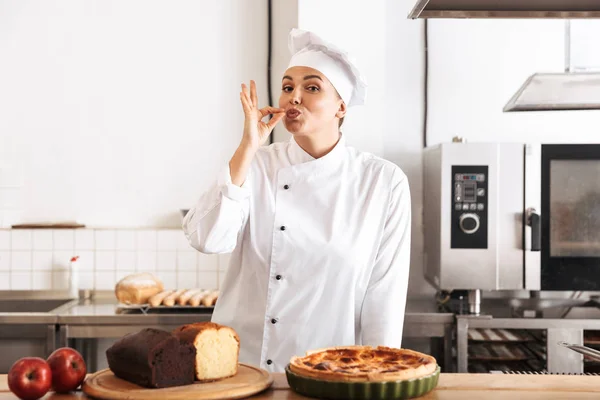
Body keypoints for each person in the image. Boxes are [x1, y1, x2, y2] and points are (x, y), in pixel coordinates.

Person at [183, 29, 411, 373]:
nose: (294, 97)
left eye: (312, 87)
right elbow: (206, 239)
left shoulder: (382, 182)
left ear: (341, 106)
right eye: (288, 86)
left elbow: (384, 298)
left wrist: (380, 379)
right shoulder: (256, 165)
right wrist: (247, 146)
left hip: (333, 372)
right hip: (245, 371)